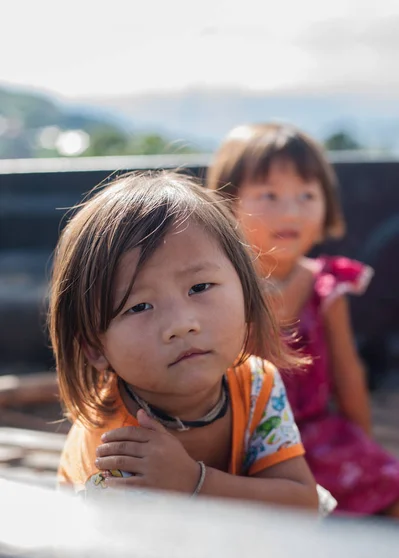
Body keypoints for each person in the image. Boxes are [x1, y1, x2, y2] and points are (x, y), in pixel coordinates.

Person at [49, 171, 319, 510]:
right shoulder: (117, 446)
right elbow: (114, 556)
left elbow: (302, 504)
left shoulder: (255, 383)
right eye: (140, 306)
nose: (181, 324)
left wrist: (194, 482)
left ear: (248, 293)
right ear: (94, 346)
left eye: (200, 287)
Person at [207, 123, 399, 517]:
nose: (291, 211)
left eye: (306, 195)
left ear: (327, 204)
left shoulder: (326, 285)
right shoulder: (220, 287)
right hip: (244, 443)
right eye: (269, 195)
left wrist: (364, 449)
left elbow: (348, 375)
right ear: (227, 205)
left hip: (318, 437)